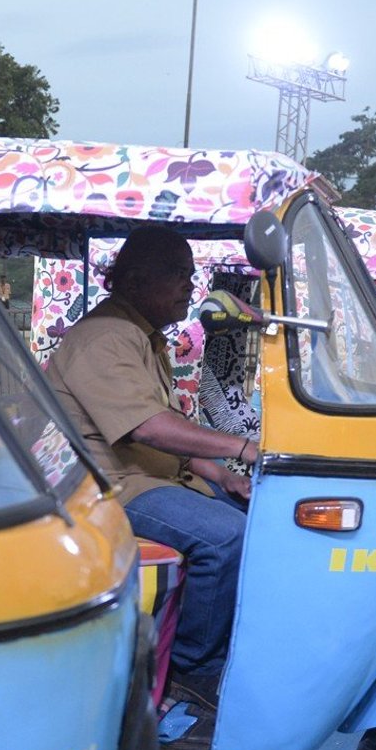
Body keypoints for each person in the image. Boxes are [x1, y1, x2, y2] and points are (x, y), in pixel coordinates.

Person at [45, 225, 258, 703]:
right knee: (226, 537)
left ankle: (223, 642)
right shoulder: (106, 339)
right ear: (135, 281)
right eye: (176, 274)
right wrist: (241, 448)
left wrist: (223, 475)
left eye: (190, 273)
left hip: (150, 477)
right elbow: (149, 429)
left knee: (258, 513)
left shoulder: (142, 338)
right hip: (110, 487)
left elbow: (168, 439)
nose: (189, 286)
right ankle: (190, 670)